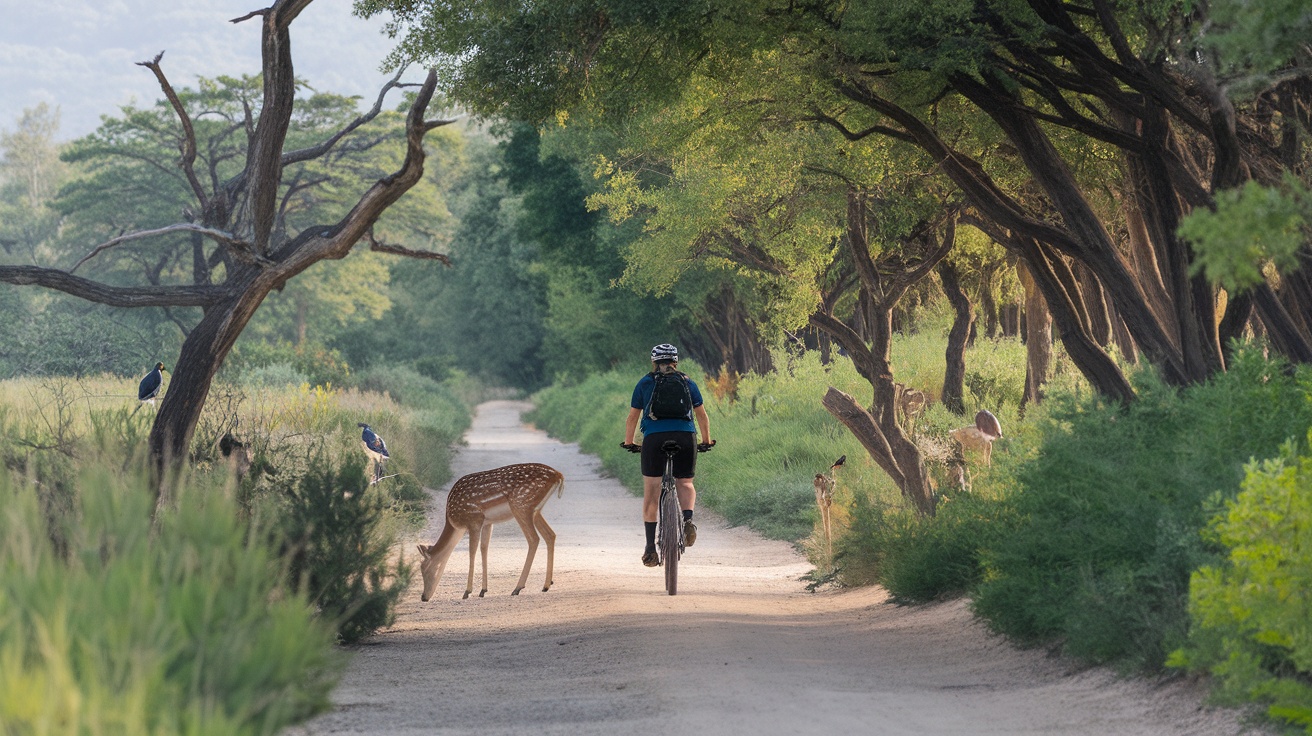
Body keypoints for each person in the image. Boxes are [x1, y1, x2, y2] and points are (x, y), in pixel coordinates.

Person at [621, 343, 714, 567]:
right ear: (676, 362)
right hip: (685, 437)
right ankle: (688, 519)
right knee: (686, 482)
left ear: (654, 363)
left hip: (654, 439)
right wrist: (705, 440)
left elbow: (633, 417)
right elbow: (701, 415)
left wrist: (630, 442)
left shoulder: (645, 383)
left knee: (652, 493)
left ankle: (650, 548)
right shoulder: (687, 381)